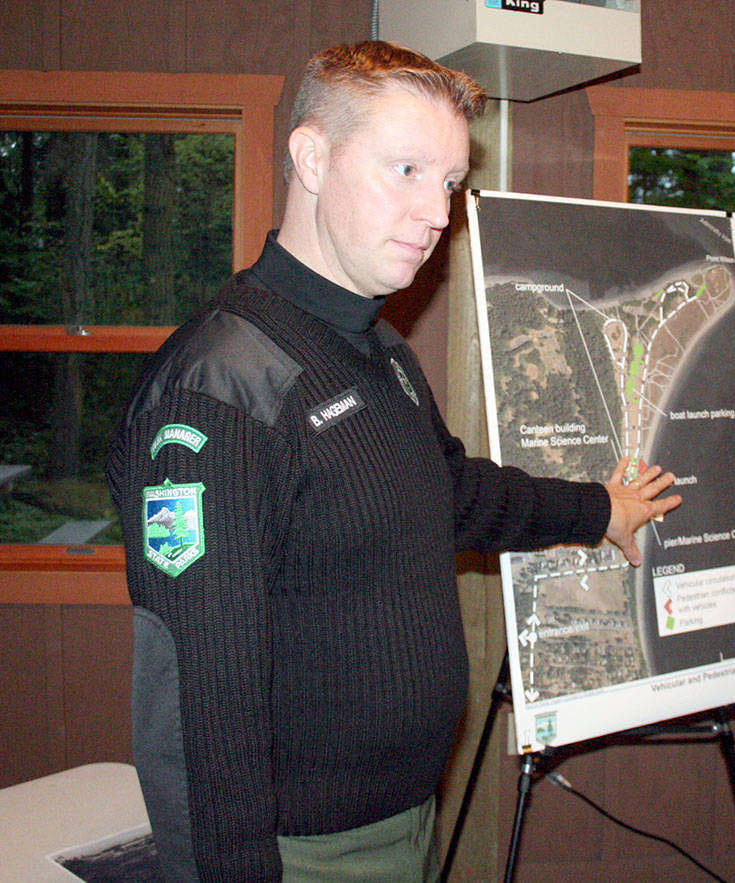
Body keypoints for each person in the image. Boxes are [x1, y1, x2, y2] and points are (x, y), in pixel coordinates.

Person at [105, 41, 681, 881]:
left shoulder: (377, 349)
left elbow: (447, 493)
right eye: (406, 169)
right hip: (298, 853)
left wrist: (598, 508)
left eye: (448, 183)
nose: (437, 214)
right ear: (311, 156)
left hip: (408, 821)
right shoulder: (218, 392)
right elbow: (203, 706)